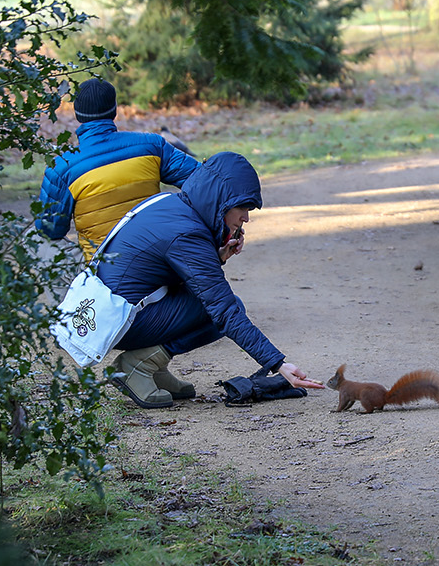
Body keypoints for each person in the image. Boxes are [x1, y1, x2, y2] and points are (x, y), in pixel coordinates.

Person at [96, 151, 325, 408]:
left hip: (111, 310)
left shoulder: (171, 205)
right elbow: (223, 310)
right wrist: (278, 363)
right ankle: (137, 365)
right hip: (118, 322)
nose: (246, 218)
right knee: (228, 309)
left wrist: (217, 258)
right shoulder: (188, 234)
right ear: (221, 200)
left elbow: (172, 272)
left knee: (215, 305)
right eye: (242, 208)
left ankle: (151, 364)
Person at [35, 78, 203, 258]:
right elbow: (203, 182)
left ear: (78, 114)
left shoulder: (61, 167)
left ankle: (75, 286)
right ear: (114, 110)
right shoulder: (152, 145)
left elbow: (50, 229)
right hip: (157, 259)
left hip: (102, 270)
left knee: (38, 242)